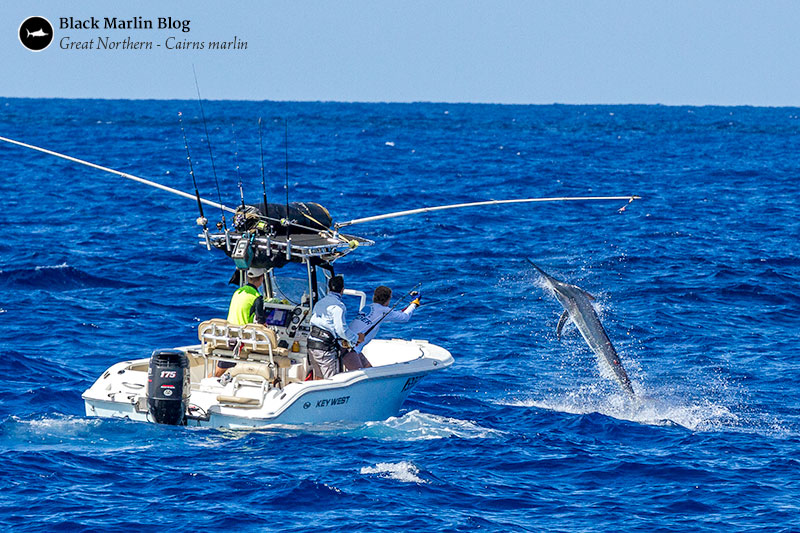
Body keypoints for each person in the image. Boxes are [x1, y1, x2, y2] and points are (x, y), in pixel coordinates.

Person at [343, 286, 421, 371]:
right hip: (349, 350)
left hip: (350, 346)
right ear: (388, 299)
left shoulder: (368, 307)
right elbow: (404, 317)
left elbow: (390, 314)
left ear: (374, 297)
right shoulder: (383, 311)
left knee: (370, 370)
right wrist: (414, 304)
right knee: (361, 377)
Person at [307, 275, 365, 379]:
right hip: (324, 348)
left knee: (319, 376)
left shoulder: (319, 303)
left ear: (329, 288)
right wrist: (356, 338)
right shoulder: (339, 307)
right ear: (342, 289)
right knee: (331, 380)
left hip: (311, 344)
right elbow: (341, 330)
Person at [214, 266, 266, 377]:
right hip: (240, 339)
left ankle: (211, 379)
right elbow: (261, 323)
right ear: (261, 279)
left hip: (228, 334)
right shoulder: (257, 297)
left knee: (220, 369)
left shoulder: (238, 291)